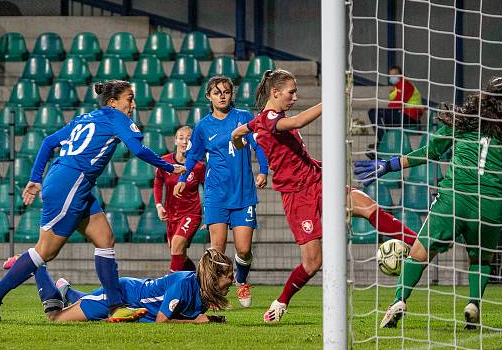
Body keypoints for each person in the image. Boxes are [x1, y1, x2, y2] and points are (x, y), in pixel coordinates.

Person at [0, 80, 186, 322]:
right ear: (113, 102)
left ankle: (115, 305)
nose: (133, 104)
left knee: (105, 239)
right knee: (45, 251)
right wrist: (168, 166)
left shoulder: (86, 118)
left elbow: (48, 143)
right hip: (71, 182)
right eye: (129, 98)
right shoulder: (116, 117)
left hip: (72, 182)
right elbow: (138, 149)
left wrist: (36, 178)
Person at [231, 69, 418, 323]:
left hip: (317, 179)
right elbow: (296, 123)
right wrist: (330, 99)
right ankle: (281, 302)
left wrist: (237, 137)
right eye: (291, 92)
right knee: (312, 262)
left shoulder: (259, 121)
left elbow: (241, 130)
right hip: (297, 195)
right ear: (275, 93)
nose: (295, 97)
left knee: (367, 206)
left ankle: (419, 242)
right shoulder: (269, 119)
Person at [355, 76, 502, 329]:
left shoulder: (464, 123)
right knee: (481, 260)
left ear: (484, 96)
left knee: (418, 253)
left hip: (453, 199)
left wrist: (389, 164)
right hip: (490, 205)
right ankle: (473, 303)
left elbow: (428, 153)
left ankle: (399, 300)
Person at [175, 75, 268, 308]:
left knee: (244, 249)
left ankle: (242, 279)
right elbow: (194, 156)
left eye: (226, 91)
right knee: (216, 249)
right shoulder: (203, 126)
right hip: (216, 194)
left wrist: (263, 171)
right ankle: (213, 295)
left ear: (231, 94)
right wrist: (183, 178)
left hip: (243, 194)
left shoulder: (243, 117)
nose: (222, 95)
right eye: (217, 92)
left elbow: (258, 145)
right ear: (209, 97)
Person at [48, 248, 234, 323]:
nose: (233, 281)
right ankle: (38, 269)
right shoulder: (184, 284)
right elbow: (162, 321)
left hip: (134, 299)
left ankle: (67, 290)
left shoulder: (204, 293)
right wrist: (195, 322)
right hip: (126, 296)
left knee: (89, 302)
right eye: (230, 276)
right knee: (58, 319)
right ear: (215, 276)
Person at [153, 125, 205, 273]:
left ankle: (169, 287)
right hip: (171, 214)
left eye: (188, 139)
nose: (184, 142)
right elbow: (158, 183)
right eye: (181, 138)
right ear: (175, 140)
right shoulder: (164, 162)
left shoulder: (199, 166)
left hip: (191, 213)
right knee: (178, 253)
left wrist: (208, 213)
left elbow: (207, 189)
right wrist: (158, 205)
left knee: (176, 245)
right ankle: (195, 282)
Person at [368, 65, 424, 145]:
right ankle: (383, 143)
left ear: (400, 75)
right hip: (403, 114)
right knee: (377, 115)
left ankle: (383, 143)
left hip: (409, 117)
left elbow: (397, 104)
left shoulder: (405, 84)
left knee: (375, 113)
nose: (392, 77)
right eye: (391, 75)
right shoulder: (397, 87)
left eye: (395, 75)